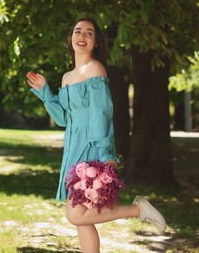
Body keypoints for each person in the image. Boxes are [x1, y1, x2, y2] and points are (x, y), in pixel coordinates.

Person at [26, 18, 166, 253]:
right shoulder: (67, 76)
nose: (82, 36)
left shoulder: (95, 69)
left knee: (75, 215)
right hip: (73, 150)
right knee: (83, 217)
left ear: (96, 42)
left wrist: (105, 156)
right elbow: (62, 119)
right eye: (77, 31)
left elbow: (102, 115)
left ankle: (137, 210)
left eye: (89, 33)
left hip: (92, 149)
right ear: (71, 39)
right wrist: (45, 92)